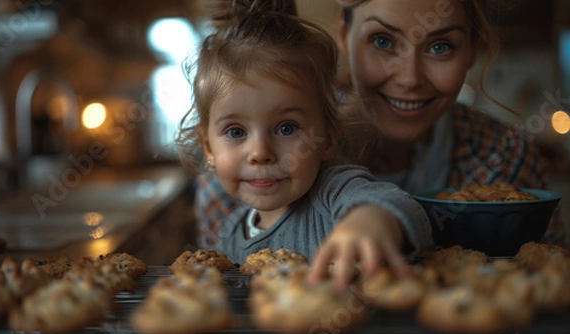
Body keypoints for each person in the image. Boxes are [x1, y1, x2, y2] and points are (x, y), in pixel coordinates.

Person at [194, 0, 565, 265]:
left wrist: (374, 220)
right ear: (344, 32)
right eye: (383, 42)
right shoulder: (232, 186)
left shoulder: (504, 156)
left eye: (440, 46)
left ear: (472, 50)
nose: (409, 78)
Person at [177, 0, 432, 288]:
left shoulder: (334, 192)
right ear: (209, 149)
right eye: (236, 132)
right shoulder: (229, 235)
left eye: (287, 128)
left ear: (328, 139)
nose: (261, 153)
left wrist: (370, 220)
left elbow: (400, 206)